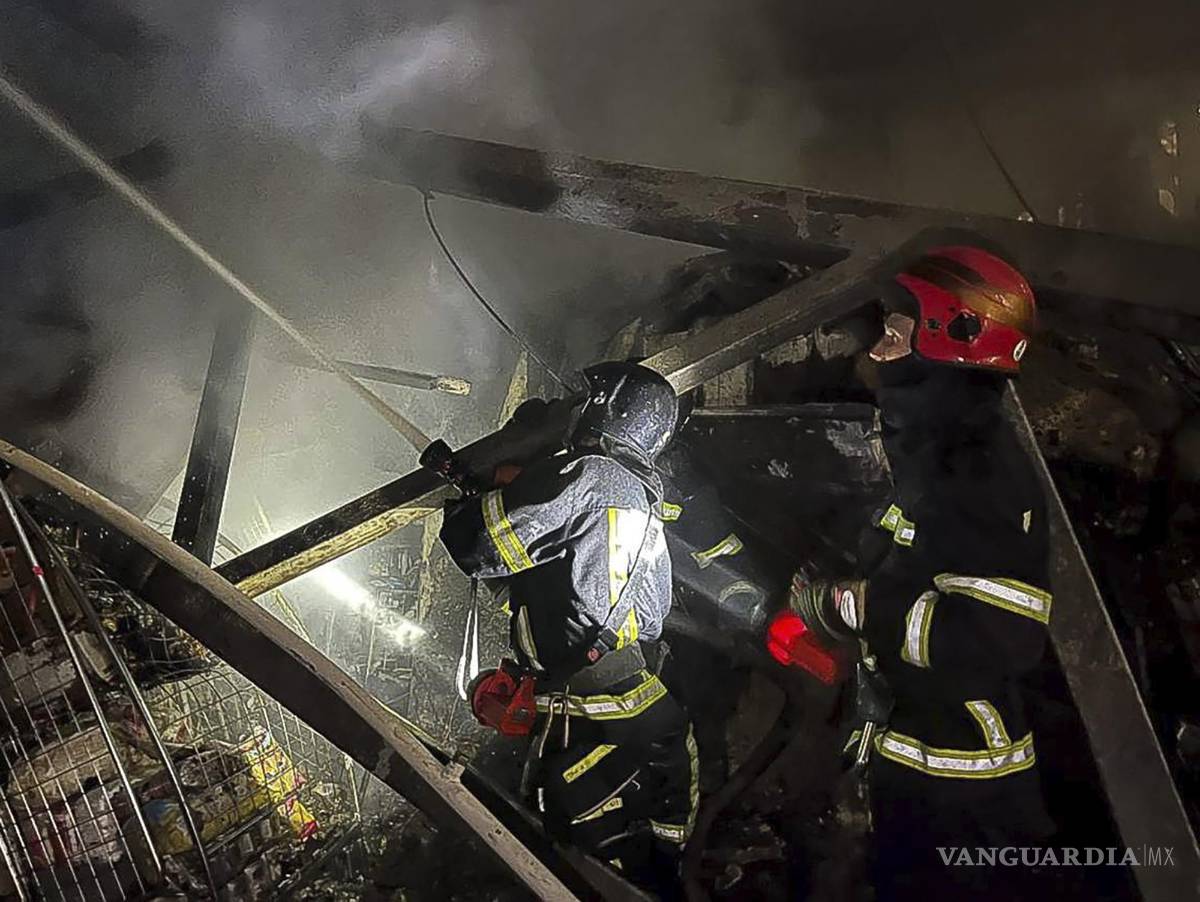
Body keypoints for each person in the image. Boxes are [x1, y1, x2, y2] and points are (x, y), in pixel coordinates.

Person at [789, 246, 1056, 901]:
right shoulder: (939, 456)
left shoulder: (978, 469)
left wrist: (854, 606)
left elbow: (1001, 638)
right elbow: (915, 555)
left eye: (893, 335)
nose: (878, 353)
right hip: (923, 762)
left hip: (965, 786)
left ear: (949, 340)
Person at [440, 360, 698, 894]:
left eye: (591, 401)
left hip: (594, 718)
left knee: (572, 857)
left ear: (611, 410)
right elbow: (635, 614)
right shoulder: (646, 505)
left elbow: (477, 546)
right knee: (640, 868)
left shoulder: (593, 476)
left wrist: (469, 503)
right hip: (640, 705)